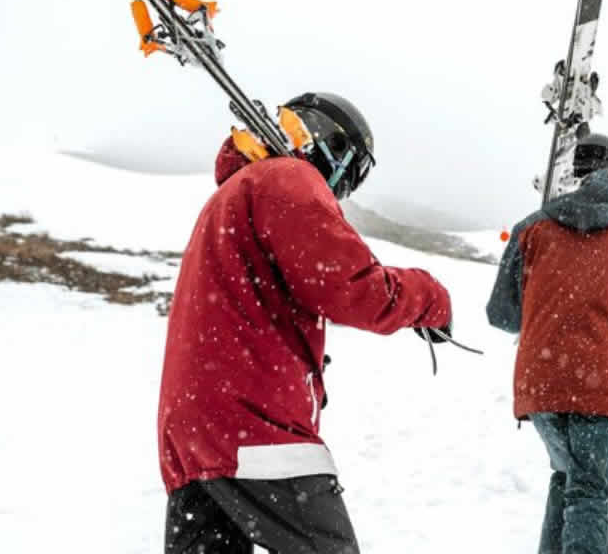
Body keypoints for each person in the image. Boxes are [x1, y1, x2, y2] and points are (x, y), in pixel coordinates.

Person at [159, 92, 452, 553]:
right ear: (328, 143)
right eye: (350, 170)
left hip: (193, 434)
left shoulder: (233, 195)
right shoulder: (286, 178)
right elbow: (354, 289)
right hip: (254, 427)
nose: (341, 188)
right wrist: (431, 297)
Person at [486, 133, 608, 554]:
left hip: (542, 389)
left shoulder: (531, 230)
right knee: (589, 492)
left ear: (575, 171)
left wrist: (547, 308)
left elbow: (501, 313)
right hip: (605, 390)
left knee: (568, 479)